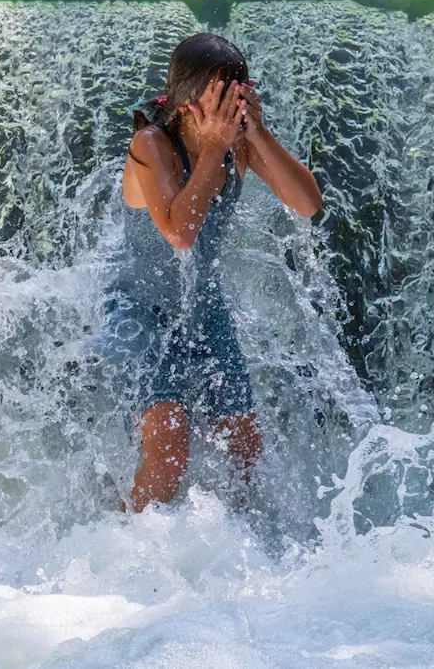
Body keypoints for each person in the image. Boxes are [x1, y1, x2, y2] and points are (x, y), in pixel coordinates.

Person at [117, 33, 322, 513]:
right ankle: (126, 543)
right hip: (144, 307)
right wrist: (212, 149)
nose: (232, 108)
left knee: (244, 450)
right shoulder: (151, 144)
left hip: (203, 307)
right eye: (222, 99)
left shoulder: (236, 144)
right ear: (188, 103)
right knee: (170, 451)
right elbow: (180, 233)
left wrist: (257, 135)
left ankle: (229, 558)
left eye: (239, 95)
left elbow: (308, 204)